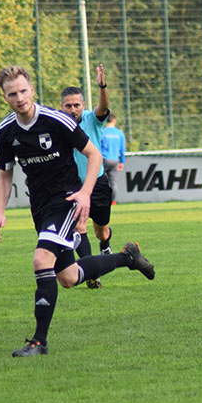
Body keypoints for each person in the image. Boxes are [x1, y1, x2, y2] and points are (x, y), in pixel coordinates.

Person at [0, 65, 156, 357]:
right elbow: (5, 174)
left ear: (32, 89)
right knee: (67, 277)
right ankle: (127, 258)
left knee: (41, 260)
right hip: (40, 207)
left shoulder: (57, 121)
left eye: (23, 90)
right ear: (4, 97)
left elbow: (93, 154)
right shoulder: (6, 131)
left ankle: (39, 343)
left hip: (66, 200)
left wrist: (84, 193)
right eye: (11, 94)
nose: (19, 98)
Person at [61, 66, 116, 281]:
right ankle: (92, 273)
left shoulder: (92, 119)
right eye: (68, 105)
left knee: (101, 230)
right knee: (78, 226)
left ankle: (105, 243)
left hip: (98, 183)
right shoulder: (58, 123)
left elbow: (103, 106)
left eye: (76, 105)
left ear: (83, 106)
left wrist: (102, 86)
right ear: (62, 106)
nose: (72, 109)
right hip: (74, 186)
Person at [101, 111, 126, 204]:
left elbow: (98, 146)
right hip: (115, 159)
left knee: (100, 181)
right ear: (114, 121)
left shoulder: (102, 132)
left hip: (103, 159)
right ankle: (113, 201)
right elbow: (122, 149)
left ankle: (103, 200)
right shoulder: (119, 133)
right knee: (113, 182)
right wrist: (122, 162)